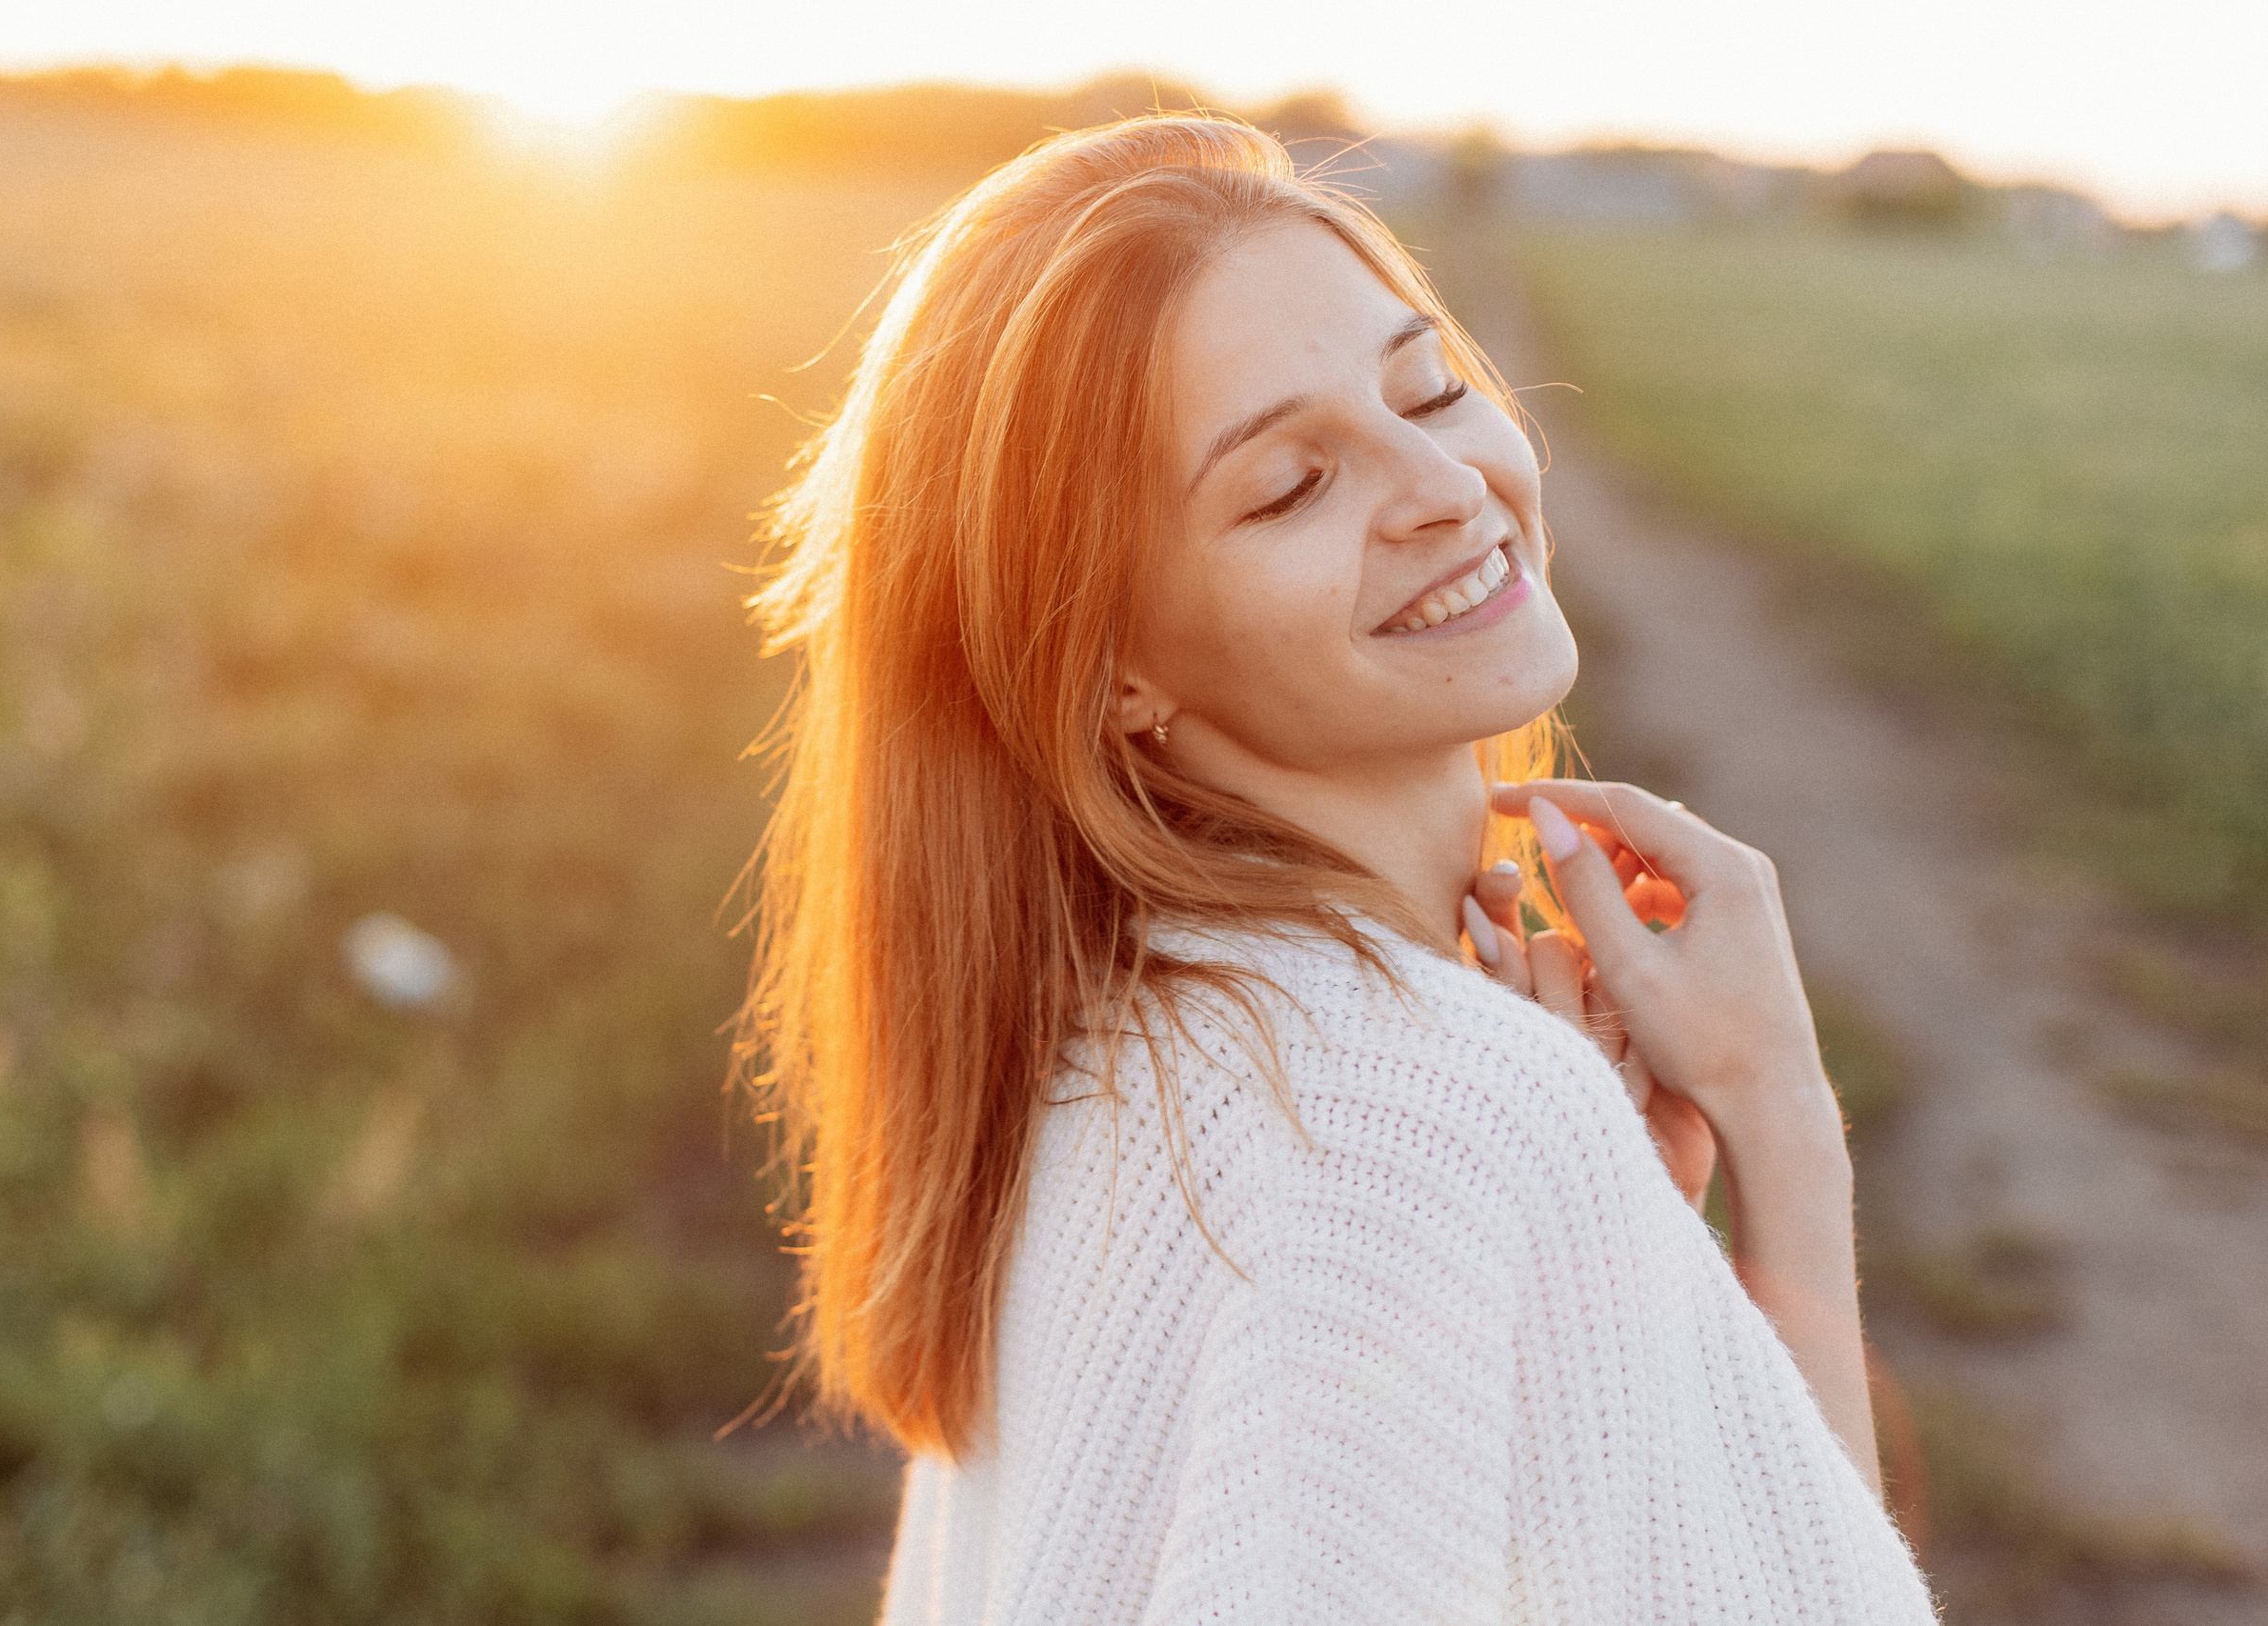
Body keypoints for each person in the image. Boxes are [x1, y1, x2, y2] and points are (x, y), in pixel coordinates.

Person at [738, 113, 1937, 1623]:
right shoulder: (1423, 1114)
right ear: (1109, 671)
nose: (1443, 483)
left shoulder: (1101, 1054)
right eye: (1290, 484)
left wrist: (1614, 1262)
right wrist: (1781, 1121)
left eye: (1428, 385)